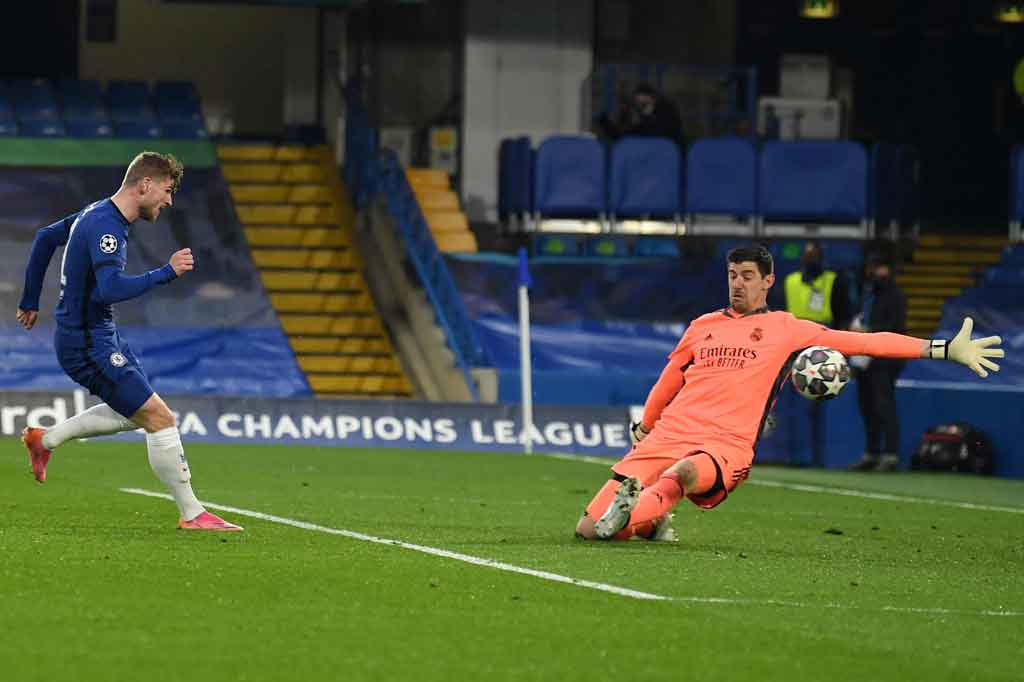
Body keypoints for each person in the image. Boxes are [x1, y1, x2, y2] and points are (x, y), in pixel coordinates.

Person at [574, 245, 1003, 541]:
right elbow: (669, 379)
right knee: (588, 531)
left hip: (723, 444)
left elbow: (866, 343)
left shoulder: (786, 329)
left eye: (746, 276)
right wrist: (647, 425)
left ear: (767, 281)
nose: (737, 284)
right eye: (731, 276)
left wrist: (942, 348)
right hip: (671, 431)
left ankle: (639, 506)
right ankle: (648, 522)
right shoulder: (702, 326)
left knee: (683, 475)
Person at [16, 151, 242, 532]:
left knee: (135, 411)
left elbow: (44, 239)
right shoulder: (107, 227)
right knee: (159, 417)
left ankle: (45, 440)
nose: (169, 201)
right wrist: (166, 272)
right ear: (145, 185)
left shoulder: (96, 212)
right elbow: (110, 288)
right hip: (87, 344)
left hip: (100, 336)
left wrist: (29, 300)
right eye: (167, 191)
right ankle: (192, 514)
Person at [847, 255, 908, 472]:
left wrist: (870, 331)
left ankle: (890, 454)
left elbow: (896, 327)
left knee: (884, 406)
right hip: (864, 358)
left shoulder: (895, 296)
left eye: (881, 267)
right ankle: (871, 452)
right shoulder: (868, 293)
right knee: (866, 406)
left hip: (885, 359)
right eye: (873, 267)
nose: (877, 272)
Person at [783, 240, 852, 330]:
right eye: (808, 256)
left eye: (814, 256)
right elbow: (780, 308)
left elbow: (843, 313)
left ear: (821, 258)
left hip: (823, 332)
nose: (811, 260)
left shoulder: (833, 280)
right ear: (802, 258)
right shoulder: (790, 280)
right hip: (795, 332)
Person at [599, 83, 685, 148]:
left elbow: (661, 133)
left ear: (653, 99)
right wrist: (605, 122)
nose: (640, 107)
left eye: (644, 104)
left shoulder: (666, 115)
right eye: (638, 103)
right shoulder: (639, 121)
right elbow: (623, 137)